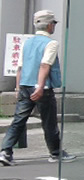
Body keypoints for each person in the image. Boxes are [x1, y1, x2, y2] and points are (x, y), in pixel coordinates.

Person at [0, 10, 69, 165]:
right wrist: (40, 87)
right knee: (49, 121)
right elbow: (45, 65)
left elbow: (20, 67)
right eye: (54, 23)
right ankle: (56, 153)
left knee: (18, 120)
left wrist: (17, 88)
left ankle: (5, 151)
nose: (54, 26)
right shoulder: (51, 43)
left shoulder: (27, 43)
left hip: (24, 85)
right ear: (50, 25)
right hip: (42, 88)